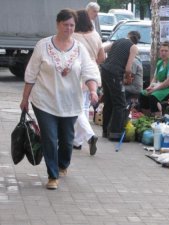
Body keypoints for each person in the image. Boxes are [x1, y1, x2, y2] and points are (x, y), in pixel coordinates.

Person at [20, 9, 100, 190]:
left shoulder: (79, 49)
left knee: (67, 139)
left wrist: (93, 91)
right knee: (49, 137)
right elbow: (31, 73)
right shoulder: (43, 45)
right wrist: (25, 98)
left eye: (72, 25)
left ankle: (63, 164)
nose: (69, 28)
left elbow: (89, 71)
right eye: (66, 25)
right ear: (58, 24)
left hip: (71, 102)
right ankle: (52, 175)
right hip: (44, 101)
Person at [72, 9, 105, 155]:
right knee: (84, 106)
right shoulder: (96, 35)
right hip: (92, 72)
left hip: (77, 73)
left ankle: (90, 135)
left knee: (76, 107)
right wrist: (92, 62)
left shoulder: (73, 36)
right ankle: (78, 141)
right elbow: (102, 57)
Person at [101, 31, 139, 140]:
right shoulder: (133, 47)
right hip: (115, 73)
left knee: (108, 101)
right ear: (136, 41)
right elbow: (128, 68)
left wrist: (107, 61)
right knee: (120, 103)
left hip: (105, 70)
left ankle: (105, 130)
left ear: (128, 36)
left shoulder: (117, 41)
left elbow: (102, 50)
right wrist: (127, 78)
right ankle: (115, 133)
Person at [139, 41, 169, 117]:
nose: (163, 53)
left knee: (153, 96)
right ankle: (147, 117)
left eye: (166, 51)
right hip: (162, 87)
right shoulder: (160, 63)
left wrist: (154, 89)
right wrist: (150, 87)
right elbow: (155, 78)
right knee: (143, 94)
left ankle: (158, 119)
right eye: (162, 51)